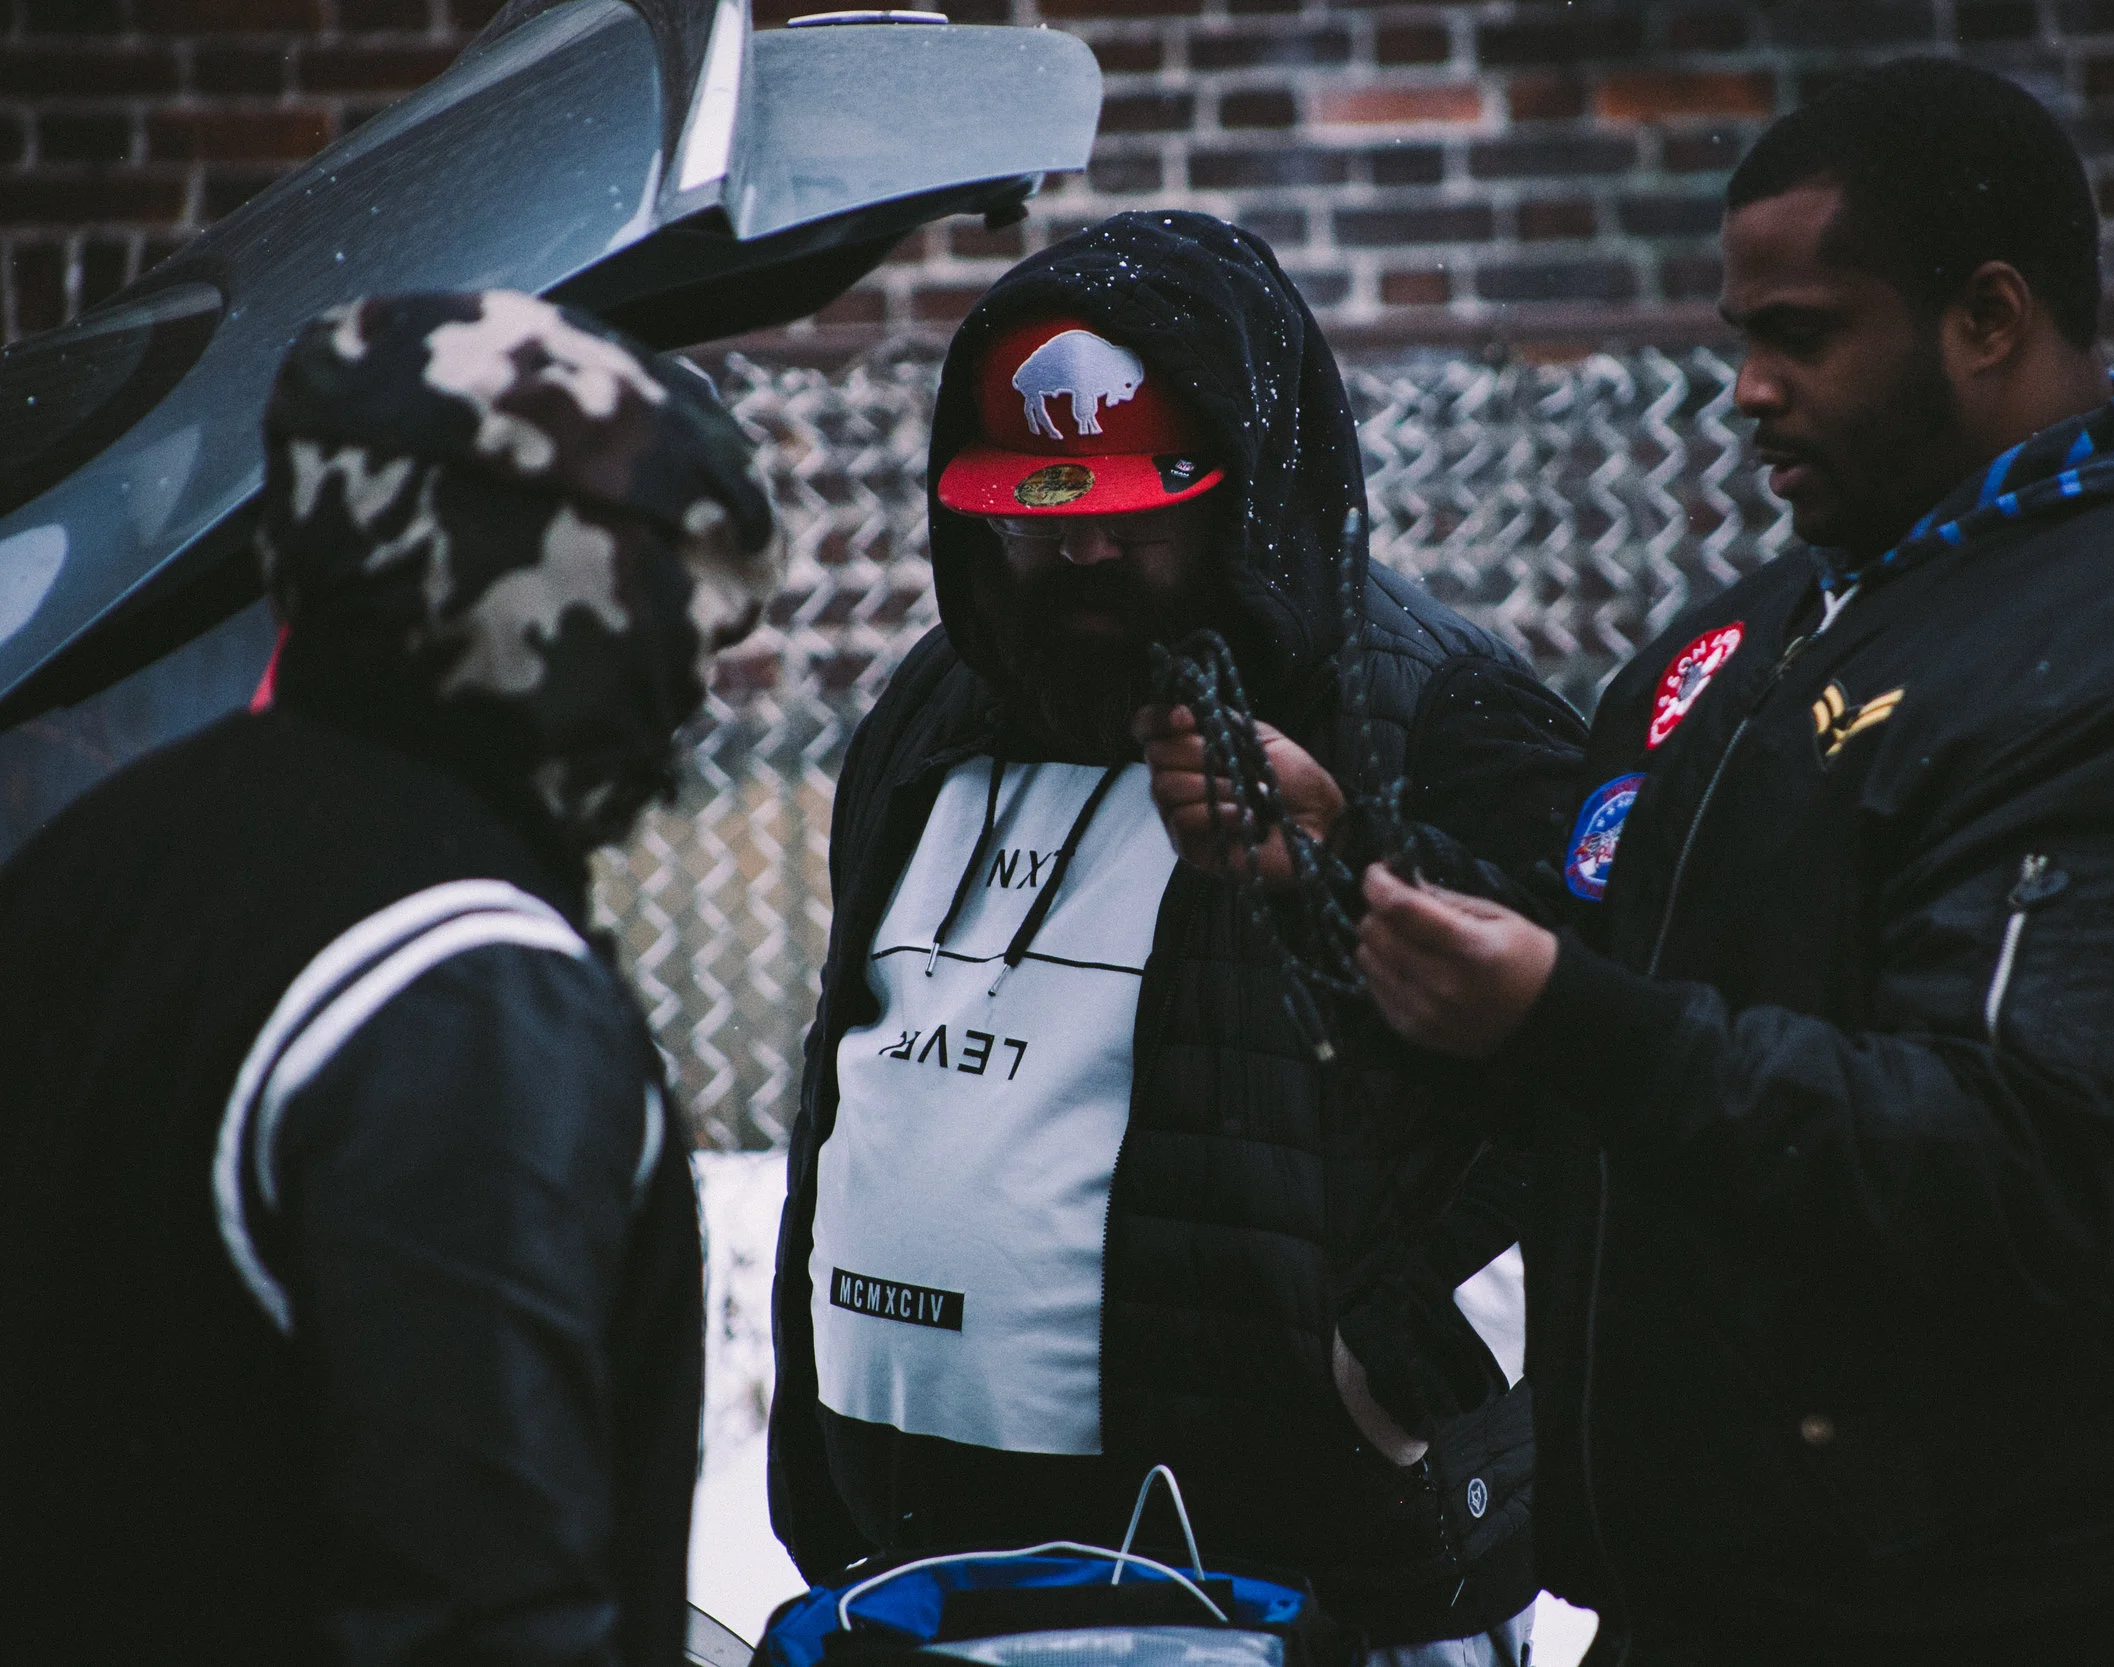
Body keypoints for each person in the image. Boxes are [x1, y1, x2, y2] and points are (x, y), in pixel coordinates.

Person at [1146, 62, 2114, 1667]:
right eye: (1742, 334)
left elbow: (2018, 1167)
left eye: (1802, 333)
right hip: (1724, 1606)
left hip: (2055, 1612)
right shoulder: (1766, 629)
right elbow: (1644, 976)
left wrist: (1568, 1016)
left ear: (1988, 317)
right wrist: (1351, 865)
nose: (1746, 388)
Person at [767, 211, 1586, 1660]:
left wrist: (1387, 1383)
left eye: (1139, 511)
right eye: (1037, 511)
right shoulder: (935, 708)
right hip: (929, 1568)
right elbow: (856, 1073)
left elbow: (1594, 1089)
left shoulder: (1434, 717)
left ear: (1252, 493)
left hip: (1302, 1596)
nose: (1083, 548)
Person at [0, 290, 786, 1667]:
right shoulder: (460, 982)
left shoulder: (105, 853)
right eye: (675, 621)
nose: (689, 698)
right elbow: (484, 1599)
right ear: (548, 606)